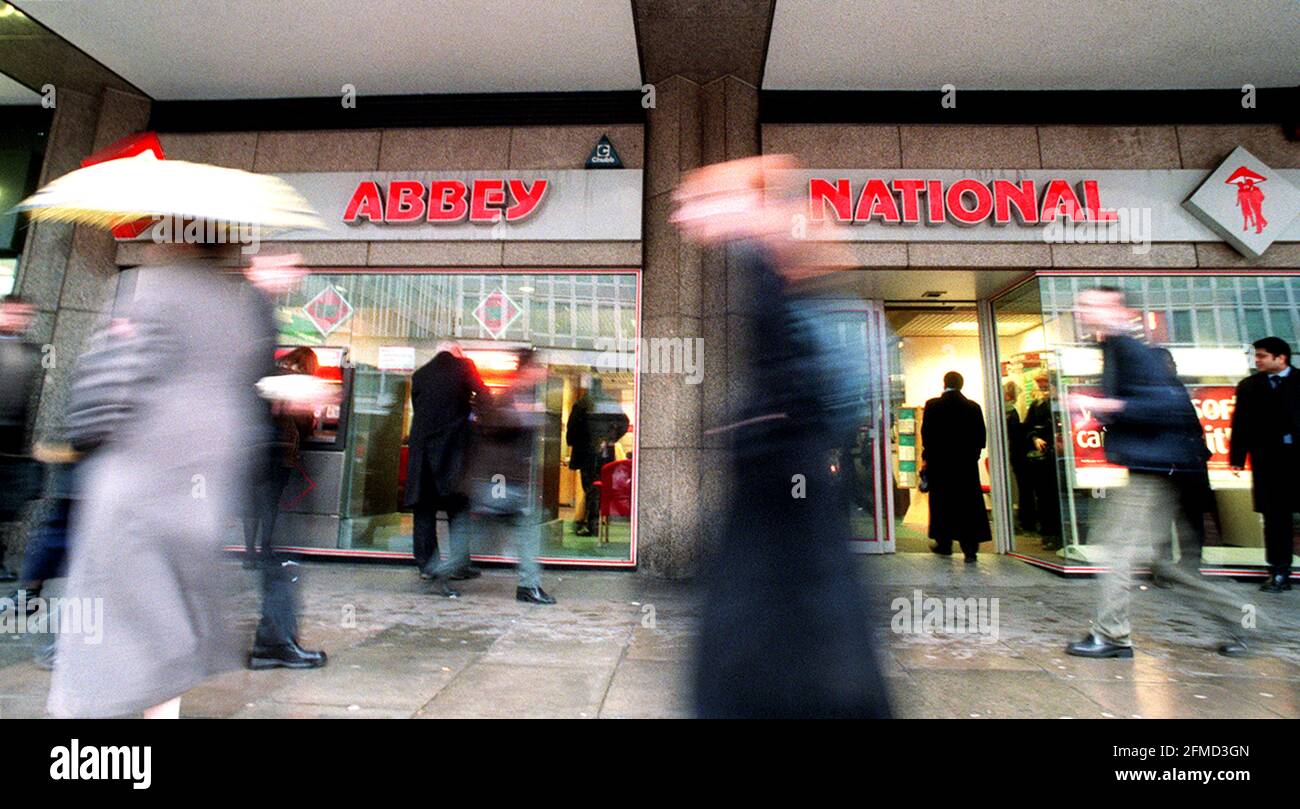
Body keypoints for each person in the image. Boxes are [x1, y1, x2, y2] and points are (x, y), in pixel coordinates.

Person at [673, 155, 890, 718]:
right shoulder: (775, 269)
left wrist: (757, 429)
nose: (684, 216)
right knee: (798, 626)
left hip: (783, 491)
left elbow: (802, 379)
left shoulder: (772, 263)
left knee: (770, 632)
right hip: (788, 484)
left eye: (695, 202)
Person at [50, 240, 267, 718]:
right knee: (168, 634)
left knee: (105, 635)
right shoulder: (235, 307)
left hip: (138, 485)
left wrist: (80, 441)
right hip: (200, 494)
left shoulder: (147, 289)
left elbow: (105, 392)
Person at [1065, 287, 1260, 660]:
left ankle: (1111, 636)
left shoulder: (1133, 349)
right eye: (1082, 304)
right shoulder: (1115, 348)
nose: (1083, 310)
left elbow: (1167, 404)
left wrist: (1101, 403)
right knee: (1166, 568)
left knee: (1119, 549)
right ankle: (1249, 622)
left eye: (1093, 304)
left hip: (1155, 469)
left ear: (1119, 309)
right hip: (1155, 466)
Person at [243, 258, 329, 670]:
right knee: (281, 553)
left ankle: (273, 641)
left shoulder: (257, 312)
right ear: (256, 268)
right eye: (282, 265)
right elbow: (246, 379)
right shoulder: (249, 311)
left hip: (257, 452)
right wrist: (291, 391)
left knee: (281, 552)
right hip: (254, 452)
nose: (292, 274)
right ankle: (272, 643)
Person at [461, 349, 555, 604]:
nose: (541, 373)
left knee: (498, 531)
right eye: (538, 368)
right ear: (527, 371)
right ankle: (527, 586)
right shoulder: (511, 394)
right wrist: (526, 417)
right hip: (501, 481)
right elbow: (491, 422)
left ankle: (528, 585)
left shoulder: (522, 395)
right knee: (507, 531)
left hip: (509, 481)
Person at [405, 343, 488, 598]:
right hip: (452, 450)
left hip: (422, 451)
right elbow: (484, 395)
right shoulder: (464, 367)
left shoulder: (420, 374)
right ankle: (459, 565)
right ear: (458, 353)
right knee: (458, 508)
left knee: (424, 509)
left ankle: (427, 567)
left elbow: (420, 409)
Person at [1229, 336, 1299, 594]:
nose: (1256, 360)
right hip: (1268, 461)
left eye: (1262, 356)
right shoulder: (1249, 386)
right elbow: (1241, 424)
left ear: (1281, 358)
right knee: (1275, 518)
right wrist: (1236, 458)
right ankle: (1279, 571)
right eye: (1256, 356)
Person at [921, 371, 991, 563]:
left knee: (942, 504)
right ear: (961, 385)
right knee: (968, 505)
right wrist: (971, 457)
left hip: (941, 464)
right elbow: (980, 437)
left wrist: (928, 458)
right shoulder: (973, 407)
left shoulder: (933, 406)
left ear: (944, 383)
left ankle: (944, 544)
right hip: (965, 466)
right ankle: (970, 549)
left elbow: (927, 435)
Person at [0, 295, 43, 582]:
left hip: (11, 445)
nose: (18, 319)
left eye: (23, 314)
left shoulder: (31, 352)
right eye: (12, 312)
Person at [1022, 371, 1062, 547]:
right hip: (1044, 460)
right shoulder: (1037, 405)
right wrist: (1035, 438)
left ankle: (1057, 534)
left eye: (1045, 384)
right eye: (1040, 385)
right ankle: (1049, 533)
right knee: (1045, 497)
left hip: (1059, 457)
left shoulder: (1061, 404)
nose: (1042, 388)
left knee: (1054, 497)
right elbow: (1028, 428)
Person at [565, 386, 600, 536]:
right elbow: (623, 422)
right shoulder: (606, 402)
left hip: (586, 453)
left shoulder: (581, 404)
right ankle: (590, 522)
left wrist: (572, 442)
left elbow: (571, 428)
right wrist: (609, 440)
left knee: (590, 488)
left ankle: (589, 524)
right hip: (602, 454)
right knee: (595, 489)